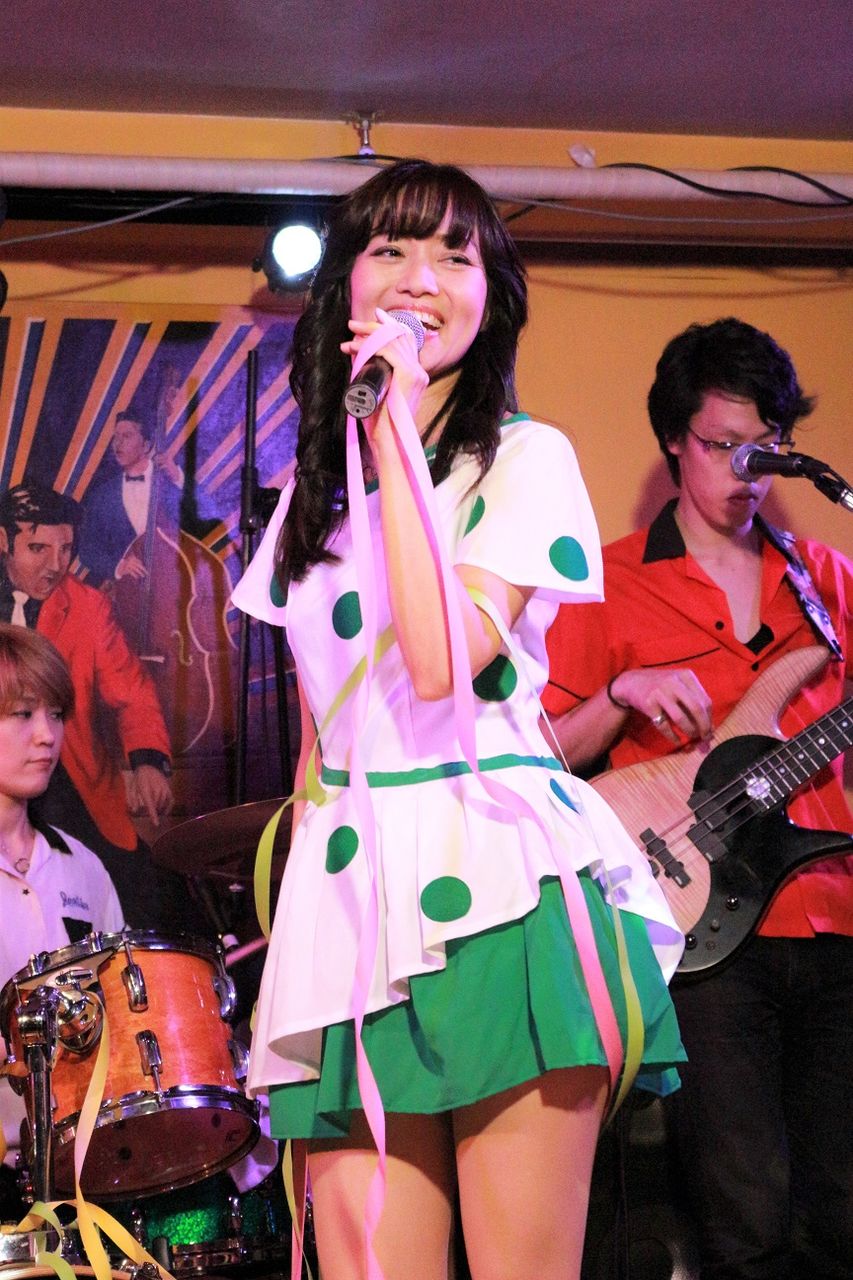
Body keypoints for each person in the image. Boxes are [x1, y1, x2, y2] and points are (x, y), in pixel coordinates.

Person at [232, 159, 685, 1280]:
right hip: (348, 900)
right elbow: (322, 738)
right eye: (389, 250)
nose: (419, 278)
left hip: (496, 887)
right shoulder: (311, 498)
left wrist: (389, 425)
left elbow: (440, 667)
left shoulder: (524, 460)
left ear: (492, 296)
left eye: (453, 255)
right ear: (345, 285)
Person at [543, 317, 852, 1280]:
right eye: (722, 445)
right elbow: (537, 754)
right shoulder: (603, 582)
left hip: (834, 916)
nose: (745, 471)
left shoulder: (828, 583)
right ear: (674, 439)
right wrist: (619, 692)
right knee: (743, 1223)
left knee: (842, 1218)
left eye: (765, 449)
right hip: (702, 935)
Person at [0, 483, 179, 927]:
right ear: (4, 541)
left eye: (65, 549)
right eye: (38, 548)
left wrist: (148, 762)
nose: (55, 565)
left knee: (146, 906)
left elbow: (132, 689)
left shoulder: (88, 607)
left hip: (73, 784)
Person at [0, 623, 124, 1217]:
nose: (47, 735)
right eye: (23, 714)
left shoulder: (85, 868)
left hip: (87, 1177)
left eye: (56, 714)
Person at [79, 409, 219, 588]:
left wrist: (177, 476)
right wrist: (119, 565)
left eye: (127, 436)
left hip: (178, 587)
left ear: (146, 445)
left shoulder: (171, 481)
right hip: (131, 593)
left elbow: (210, 512)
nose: (118, 443)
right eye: (116, 437)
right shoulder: (102, 496)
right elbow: (87, 550)